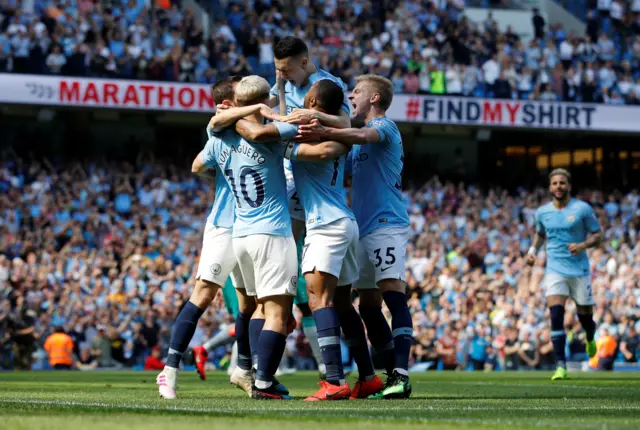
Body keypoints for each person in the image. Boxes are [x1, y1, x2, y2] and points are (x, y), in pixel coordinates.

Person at [228, 79, 383, 400]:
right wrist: (283, 94)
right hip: (345, 221)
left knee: (318, 301)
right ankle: (367, 377)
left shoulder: (310, 139)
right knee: (342, 303)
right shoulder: (336, 134)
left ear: (312, 101)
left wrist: (251, 117)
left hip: (325, 226)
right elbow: (336, 135)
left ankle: (335, 380)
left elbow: (276, 137)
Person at [296, 74, 413, 399]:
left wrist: (325, 130)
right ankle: (384, 376)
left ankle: (401, 375)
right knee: (369, 307)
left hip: (388, 223)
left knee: (393, 294)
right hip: (360, 228)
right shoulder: (356, 145)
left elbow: (362, 134)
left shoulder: (385, 127)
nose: (352, 95)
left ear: (375, 97)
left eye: (358, 91)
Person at [156, 76, 251, 400]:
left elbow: (199, 167)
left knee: (249, 302)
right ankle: (169, 370)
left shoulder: (253, 129)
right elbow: (197, 164)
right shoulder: (220, 131)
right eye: (243, 94)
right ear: (227, 104)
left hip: (254, 228)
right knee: (204, 293)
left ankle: (244, 370)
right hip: (224, 225)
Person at [209, 75, 298, 400]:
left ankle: (258, 375)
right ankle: (263, 382)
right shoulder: (273, 136)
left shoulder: (220, 135)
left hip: (241, 235)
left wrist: (267, 98)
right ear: (262, 101)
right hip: (272, 233)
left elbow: (218, 121)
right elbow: (289, 123)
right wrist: (278, 106)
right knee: (277, 313)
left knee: (260, 308)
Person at [269, 36, 353, 379]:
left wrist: (313, 115)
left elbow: (347, 126)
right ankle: (286, 305)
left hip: (313, 172)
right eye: (278, 70)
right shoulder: (285, 83)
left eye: (286, 69)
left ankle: (295, 309)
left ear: (304, 62)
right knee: (279, 242)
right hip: (292, 173)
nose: (283, 75)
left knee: (320, 274)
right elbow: (276, 111)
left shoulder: (328, 87)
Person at [526, 168, 603, 380]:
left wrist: (582, 245)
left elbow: (598, 235)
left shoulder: (582, 209)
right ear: (550, 187)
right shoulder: (542, 212)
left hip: (579, 270)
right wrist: (532, 251)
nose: (558, 186)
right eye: (554, 183)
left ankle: (590, 336)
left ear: (568, 186)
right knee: (556, 316)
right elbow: (540, 233)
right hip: (555, 270)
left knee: (585, 317)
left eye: (562, 183)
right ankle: (561, 365)